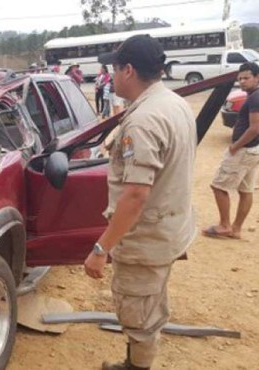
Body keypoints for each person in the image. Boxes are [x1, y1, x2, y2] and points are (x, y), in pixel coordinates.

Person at [85, 34, 197, 370]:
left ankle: (137, 367)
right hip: (169, 226)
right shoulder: (174, 103)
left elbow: (136, 195)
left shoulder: (144, 120)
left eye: (114, 68)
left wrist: (101, 249)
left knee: (138, 312)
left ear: (128, 70)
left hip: (146, 238)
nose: (111, 75)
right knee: (149, 301)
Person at [202, 62, 259, 240]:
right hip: (252, 150)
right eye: (240, 78)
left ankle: (225, 225)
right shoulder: (253, 96)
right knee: (245, 190)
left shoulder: (255, 98)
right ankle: (236, 229)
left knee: (218, 186)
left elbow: (255, 128)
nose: (242, 81)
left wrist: (236, 146)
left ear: (257, 77)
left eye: (246, 78)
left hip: (243, 150)